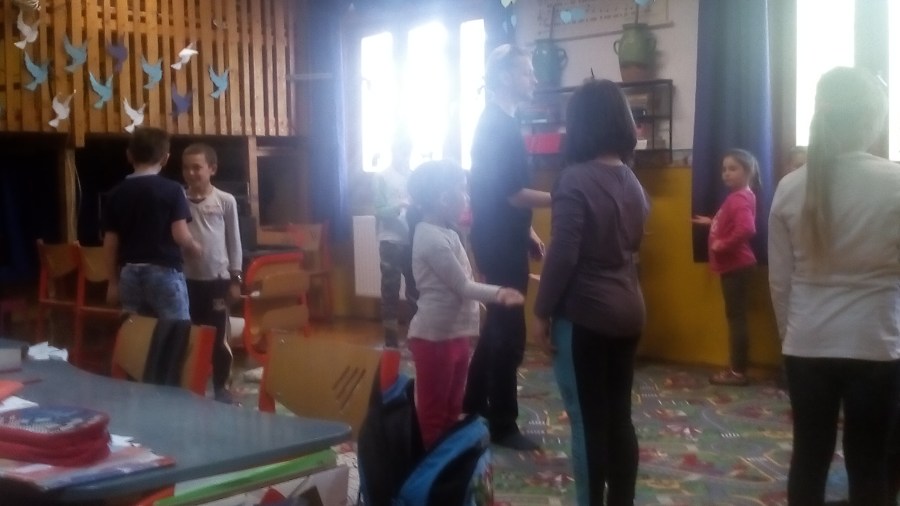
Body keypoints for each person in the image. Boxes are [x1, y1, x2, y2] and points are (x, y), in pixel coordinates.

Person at [768, 66, 900, 506]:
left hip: (807, 344)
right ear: (873, 119)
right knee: (870, 464)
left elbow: (780, 281)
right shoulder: (895, 183)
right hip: (877, 343)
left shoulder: (789, 187)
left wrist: (789, 337)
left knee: (809, 458)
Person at [531, 79, 649, 506]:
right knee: (619, 417)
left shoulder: (574, 179)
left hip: (586, 317)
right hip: (629, 310)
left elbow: (563, 254)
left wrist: (541, 311)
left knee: (586, 422)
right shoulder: (631, 181)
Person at [463, 43, 551, 451]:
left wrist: (527, 231)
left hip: (501, 236)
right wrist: (563, 195)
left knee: (499, 326)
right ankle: (502, 423)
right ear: (504, 77)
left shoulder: (500, 122)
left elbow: (500, 193)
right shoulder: (499, 127)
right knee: (509, 333)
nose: (534, 78)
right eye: (526, 71)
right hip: (498, 241)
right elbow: (512, 193)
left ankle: (471, 403)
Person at [405, 160, 524, 449]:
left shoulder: (448, 232)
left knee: (452, 409)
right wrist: (500, 293)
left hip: (455, 334)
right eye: (462, 189)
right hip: (434, 338)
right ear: (443, 198)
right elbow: (463, 286)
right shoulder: (430, 238)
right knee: (434, 415)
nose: (467, 197)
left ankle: (449, 461)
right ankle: (432, 466)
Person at [103, 127, 201, 319]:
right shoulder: (173, 190)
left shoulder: (115, 193)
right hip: (164, 272)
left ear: (129, 155)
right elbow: (179, 234)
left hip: (129, 274)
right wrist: (193, 246)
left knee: (135, 332)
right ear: (165, 158)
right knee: (176, 331)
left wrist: (113, 283)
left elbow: (110, 243)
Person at [692, 149, 760, 386]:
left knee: (736, 319)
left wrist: (723, 243)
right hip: (735, 266)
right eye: (724, 169)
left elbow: (747, 228)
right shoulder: (740, 197)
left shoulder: (739, 198)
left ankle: (737, 372)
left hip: (736, 266)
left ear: (748, 171)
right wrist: (712, 222)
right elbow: (732, 223)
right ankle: (737, 368)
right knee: (736, 317)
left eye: (733, 168)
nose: (726, 174)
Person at [181, 143, 243, 404]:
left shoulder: (225, 201)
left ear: (212, 169)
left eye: (197, 168)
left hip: (217, 281)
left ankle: (221, 387)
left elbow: (234, 241)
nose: (191, 173)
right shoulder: (178, 200)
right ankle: (190, 386)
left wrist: (235, 278)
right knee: (189, 336)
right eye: (186, 168)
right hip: (186, 281)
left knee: (219, 338)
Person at [374, 134, 418, 348]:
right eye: (401, 152)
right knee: (390, 292)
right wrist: (399, 206)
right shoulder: (382, 177)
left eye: (408, 153)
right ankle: (391, 341)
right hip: (390, 242)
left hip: (411, 241)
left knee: (415, 291)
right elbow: (379, 210)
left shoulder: (413, 177)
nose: (405, 157)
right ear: (394, 151)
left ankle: (415, 337)